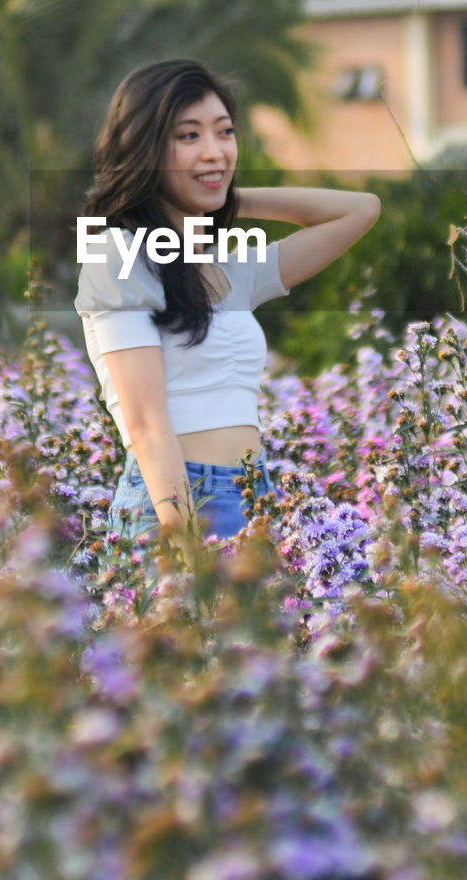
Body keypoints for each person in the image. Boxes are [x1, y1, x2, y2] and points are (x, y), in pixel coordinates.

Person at [74, 59, 380, 562]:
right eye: (189, 137)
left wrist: (223, 195)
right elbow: (148, 426)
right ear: (145, 149)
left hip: (254, 497)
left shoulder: (226, 265)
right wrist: (184, 538)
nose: (214, 151)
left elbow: (361, 209)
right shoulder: (118, 254)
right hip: (174, 505)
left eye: (225, 133)